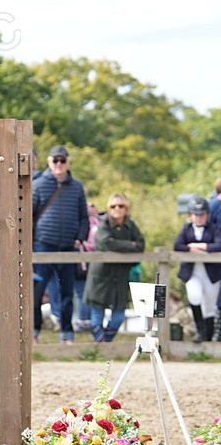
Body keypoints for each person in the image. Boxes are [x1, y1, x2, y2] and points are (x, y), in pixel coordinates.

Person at [32, 144, 89, 344]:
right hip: (43, 245)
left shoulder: (77, 187)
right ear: (49, 162)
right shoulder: (38, 185)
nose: (59, 164)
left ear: (68, 163)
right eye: (55, 160)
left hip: (68, 247)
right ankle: (34, 332)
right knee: (36, 292)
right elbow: (29, 215)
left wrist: (79, 238)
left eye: (62, 160)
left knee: (67, 293)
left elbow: (84, 217)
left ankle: (67, 334)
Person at [83, 194, 144, 342]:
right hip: (101, 276)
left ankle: (104, 344)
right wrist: (129, 245)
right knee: (97, 317)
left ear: (126, 208)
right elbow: (105, 243)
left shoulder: (131, 226)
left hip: (120, 276)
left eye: (120, 206)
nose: (117, 209)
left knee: (118, 317)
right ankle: (102, 347)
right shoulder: (103, 224)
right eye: (113, 206)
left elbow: (141, 244)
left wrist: (120, 245)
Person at [174, 194, 221, 343]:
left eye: (202, 214)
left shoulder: (213, 229)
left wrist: (200, 246)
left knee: (209, 307)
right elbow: (178, 245)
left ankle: (207, 339)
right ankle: (200, 331)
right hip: (192, 272)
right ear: (190, 215)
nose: (199, 218)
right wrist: (190, 248)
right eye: (196, 214)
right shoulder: (186, 229)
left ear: (207, 215)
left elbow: (218, 244)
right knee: (194, 296)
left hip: (211, 273)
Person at [73, 201, 101, 333]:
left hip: (82, 262)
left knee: (81, 293)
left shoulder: (80, 222)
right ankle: (87, 320)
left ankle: (84, 320)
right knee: (85, 293)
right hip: (90, 263)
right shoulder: (99, 224)